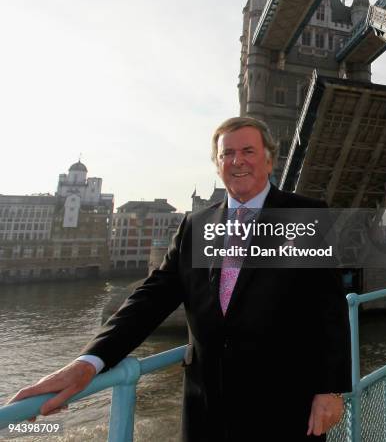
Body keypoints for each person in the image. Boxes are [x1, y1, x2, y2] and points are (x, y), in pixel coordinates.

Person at [9, 117, 351, 441]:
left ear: (269, 160)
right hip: (206, 405)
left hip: (284, 403)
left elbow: (328, 308)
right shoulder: (195, 225)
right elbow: (151, 298)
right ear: (217, 165)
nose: (237, 161)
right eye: (227, 153)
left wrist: (330, 388)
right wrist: (89, 361)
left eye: (248, 151)